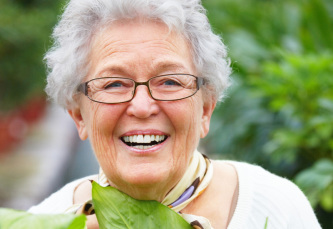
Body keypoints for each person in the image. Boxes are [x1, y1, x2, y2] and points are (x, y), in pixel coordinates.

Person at [28, 0, 321, 228]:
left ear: (205, 108)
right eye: (114, 84)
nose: (142, 107)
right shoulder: (47, 221)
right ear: (79, 115)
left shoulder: (276, 206)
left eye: (169, 81)